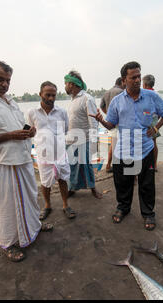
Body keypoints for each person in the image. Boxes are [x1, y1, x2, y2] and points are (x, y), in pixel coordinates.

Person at [0, 60, 52, 263]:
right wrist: (11, 135)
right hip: (4, 162)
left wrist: (28, 132)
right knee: (7, 205)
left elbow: (18, 128)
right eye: (0, 79)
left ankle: (34, 228)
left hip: (23, 158)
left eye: (8, 80)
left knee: (30, 197)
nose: (5, 84)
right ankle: (9, 243)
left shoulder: (11, 101)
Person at [90, 61, 163, 231]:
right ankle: (123, 208)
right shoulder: (117, 101)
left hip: (145, 148)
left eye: (139, 76)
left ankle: (148, 213)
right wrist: (100, 121)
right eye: (133, 77)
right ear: (124, 80)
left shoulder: (151, 97)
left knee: (147, 184)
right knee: (123, 182)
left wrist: (156, 128)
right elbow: (111, 125)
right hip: (124, 149)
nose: (137, 80)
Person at [27, 81, 76, 220]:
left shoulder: (62, 112)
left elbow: (66, 130)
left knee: (63, 179)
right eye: (47, 95)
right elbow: (29, 131)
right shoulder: (32, 113)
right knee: (45, 182)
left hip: (60, 152)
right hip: (43, 154)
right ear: (40, 94)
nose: (51, 98)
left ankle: (66, 205)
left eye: (53, 95)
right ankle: (47, 205)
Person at [64, 70, 103, 199]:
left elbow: (93, 122)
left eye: (66, 83)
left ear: (73, 84)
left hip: (84, 139)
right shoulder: (73, 100)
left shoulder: (87, 98)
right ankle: (72, 188)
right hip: (71, 139)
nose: (65, 86)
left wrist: (93, 143)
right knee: (72, 166)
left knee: (87, 166)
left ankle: (93, 189)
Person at [100, 77, 125, 173]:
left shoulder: (107, 92)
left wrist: (108, 115)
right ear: (122, 83)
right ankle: (121, 168)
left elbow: (102, 106)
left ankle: (108, 165)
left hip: (110, 123)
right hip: (120, 123)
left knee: (113, 144)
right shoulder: (121, 92)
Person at [142, 74, 162, 172]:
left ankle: (146, 165)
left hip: (146, 120)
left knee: (143, 142)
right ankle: (154, 165)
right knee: (154, 143)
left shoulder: (144, 93)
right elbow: (161, 110)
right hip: (155, 119)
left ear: (144, 84)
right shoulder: (157, 94)